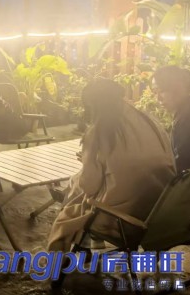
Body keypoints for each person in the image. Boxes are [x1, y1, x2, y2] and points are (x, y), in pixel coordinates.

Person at [47, 79, 175, 251]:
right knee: (77, 183)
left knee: (73, 198)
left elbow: (90, 186)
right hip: (160, 209)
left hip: (123, 218)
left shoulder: (100, 131)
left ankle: (65, 258)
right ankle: (88, 244)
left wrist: (87, 161)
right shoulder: (149, 120)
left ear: (92, 106)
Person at [152, 65, 190, 171]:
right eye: (155, 91)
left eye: (161, 91)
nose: (158, 98)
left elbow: (184, 166)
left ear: (178, 88)